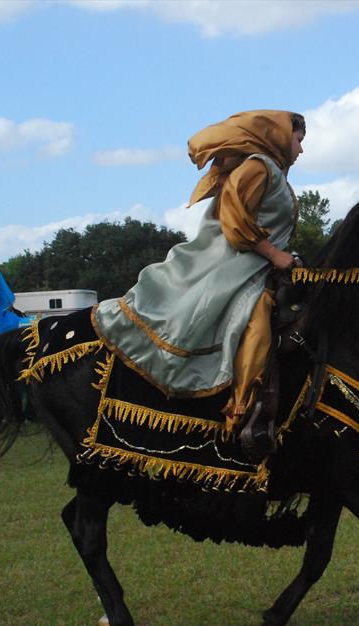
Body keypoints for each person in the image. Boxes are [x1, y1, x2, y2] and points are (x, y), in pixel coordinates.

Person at [92, 111, 305, 451]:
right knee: (258, 321)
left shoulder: (274, 174)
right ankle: (245, 412)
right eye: (298, 140)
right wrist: (275, 255)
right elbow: (234, 219)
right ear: (279, 135)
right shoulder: (259, 166)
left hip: (256, 266)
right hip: (231, 265)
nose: (301, 150)